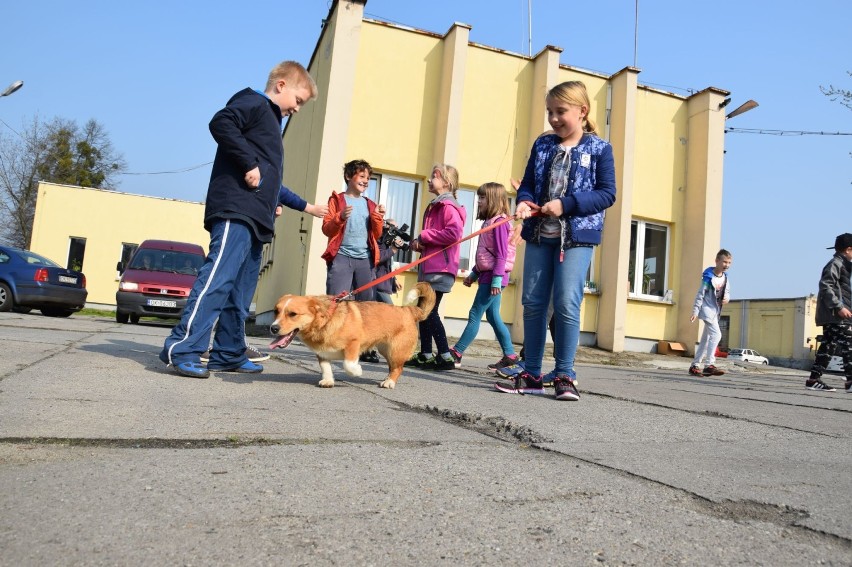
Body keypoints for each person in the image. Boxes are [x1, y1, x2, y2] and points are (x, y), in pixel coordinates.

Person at [160, 60, 319, 379]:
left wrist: (284, 203)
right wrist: (248, 164)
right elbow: (221, 123)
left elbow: (269, 177)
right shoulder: (254, 102)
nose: (297, 109)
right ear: (282, 85)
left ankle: (228, 352)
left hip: (257, 219)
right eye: (298, 101)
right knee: (218, 280)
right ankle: (184, 347)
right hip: (236, 210)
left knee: (240, 293)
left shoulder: (272, 123)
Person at [497, 80, 616, 401]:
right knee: (533, 304)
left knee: (566, 302)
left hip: (576, 238)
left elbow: (607, 194)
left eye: (560, 111)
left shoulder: (600, 149)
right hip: (538, 234)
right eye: (550, 111)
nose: (553, 118)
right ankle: (532, 373)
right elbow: (529, 185)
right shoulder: (543, 144)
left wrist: (567, 204)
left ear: (582, 111)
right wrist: (522, 200)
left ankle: (565, 374)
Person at [449, 182, 519, 370]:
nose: (478, 201)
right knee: (493, 316)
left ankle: (456, 352)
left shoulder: (499, 223)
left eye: (482, 198)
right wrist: (473, 273)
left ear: (494, 200)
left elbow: (501, 255)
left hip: (494, 277)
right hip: (488, 274)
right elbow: (485, 254)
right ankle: (510, 355)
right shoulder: (490, 222)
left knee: (475, 313)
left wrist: (496, 278)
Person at [405, 164, 466, 371]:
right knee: (424, 309)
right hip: (430, 266)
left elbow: (453, 234)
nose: (429, 180)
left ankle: (445, 355)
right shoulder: (436, 205)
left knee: (429, 311)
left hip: (440, 268)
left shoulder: (448, 206)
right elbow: (436, 237)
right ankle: (425, 353)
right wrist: (419, 244)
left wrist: (425, 235)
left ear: (447, 182)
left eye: (434, 177)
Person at [321, 159, 385, 301]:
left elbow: (377, 234)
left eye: (368, 178)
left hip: (365, 260)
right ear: (348, 176)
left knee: (366, 305)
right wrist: (340, 217)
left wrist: (377, 217)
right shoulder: (336, 200)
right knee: (336, 302)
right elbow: (326, 229)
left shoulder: (371, 204)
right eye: (362, 176)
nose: (366, 181)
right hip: (341, 257)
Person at [806, 233, 852, 392]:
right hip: (836, 315)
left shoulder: (844, 265)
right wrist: (839, 307)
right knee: (849, 344)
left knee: (827, 347)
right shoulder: (836, 264)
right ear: (848, 250)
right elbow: (826, 286)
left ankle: (813, 380)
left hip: (835, 315)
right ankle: (850, 382)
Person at [359, 219, 404, 364]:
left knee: (376, 319)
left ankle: (369, 350)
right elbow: (379, 257)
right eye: (393, 227)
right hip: (375, 284)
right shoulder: (377, 239)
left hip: (383, 283)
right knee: (391, 314)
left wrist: (394, 279)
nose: (395, 230)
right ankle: (369, 350)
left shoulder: (386, 241)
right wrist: (394, 249)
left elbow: (388, 265)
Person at [687, 249, 732, 377]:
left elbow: (727, 293)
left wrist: (726, 299)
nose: (727, 265)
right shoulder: (708, 277)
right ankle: (709, 365)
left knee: (706, 340)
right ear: (717, 261)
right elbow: (700, 295)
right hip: (707, 310)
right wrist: (695, 311)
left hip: (715, 312)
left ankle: (694, 366)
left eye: (729, 263)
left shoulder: (725, 278)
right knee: (717, 335)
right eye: (724, 262)